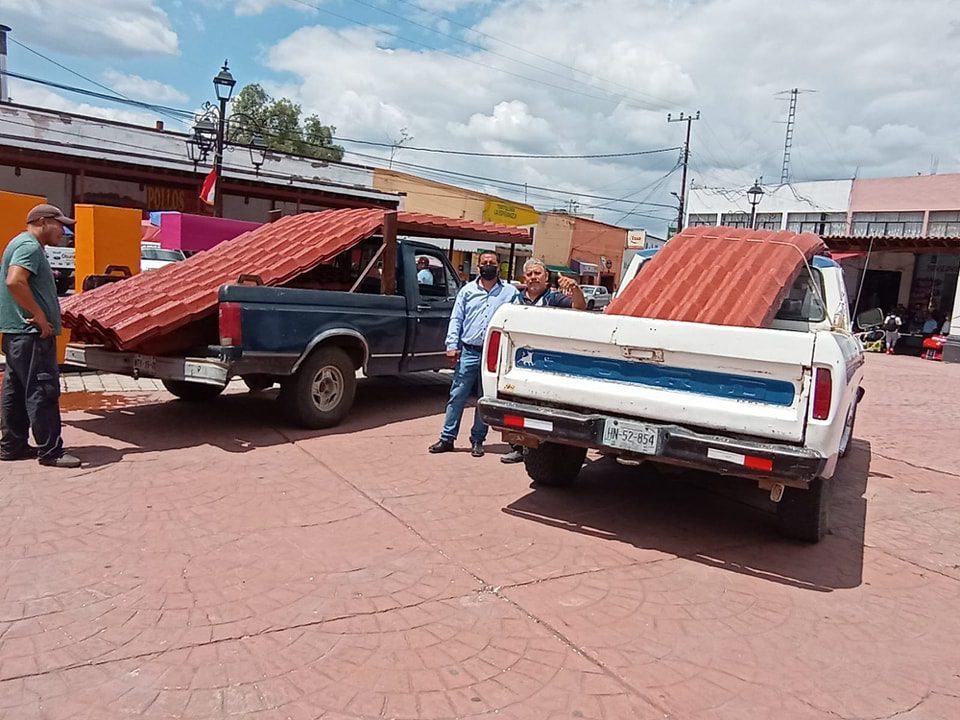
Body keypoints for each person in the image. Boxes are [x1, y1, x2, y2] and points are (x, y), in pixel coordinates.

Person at [1, 204, 81, 468]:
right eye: (59, 225)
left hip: (18, 334)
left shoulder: (21, 244)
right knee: (42, 389)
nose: (63, 231)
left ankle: (12, 445)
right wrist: (39, 315)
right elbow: (15, 281)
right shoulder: (29, 247)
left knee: (16, 389)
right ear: (43, 221)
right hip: (32, 335)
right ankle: (51, 452)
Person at [429, 251, 518, 458]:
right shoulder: (467, 291)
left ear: (499, 266)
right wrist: (452, 345)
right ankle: (447, 438)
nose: (488, 266)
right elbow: (456, 319)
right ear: (478, 267)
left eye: (492, 263)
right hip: (469, 351)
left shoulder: (510, 293)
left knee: (484, 398)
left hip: (493, 356)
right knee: (457, 395)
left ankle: (478, 440)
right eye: (484, 263)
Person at [500, 259, 587, 464]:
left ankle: (547, 449)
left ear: (546, 277)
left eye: (537, 273)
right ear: (524, 278)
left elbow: (579, 307)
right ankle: (519, 448)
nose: (533, 278)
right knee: (516, 405)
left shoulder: (555, 299)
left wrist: (574, 288)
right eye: (529, 274)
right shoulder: (515, 301)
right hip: (519, 364)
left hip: (548, 364)